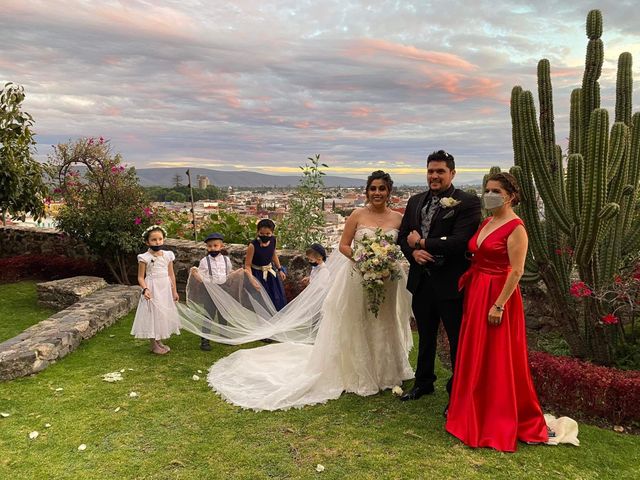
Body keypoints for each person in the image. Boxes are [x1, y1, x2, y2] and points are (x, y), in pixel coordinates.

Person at [205, 170, 414, 410]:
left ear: (389, 191)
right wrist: (363, 258)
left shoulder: (398, 219)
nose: (377, 193)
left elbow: (402, 248)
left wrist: (385, 261)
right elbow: (343, 245)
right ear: (367, 191)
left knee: (385, 320)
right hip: (359, 276)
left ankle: (387, 372)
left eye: (382, 188)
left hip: (387, 280)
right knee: (359, 320)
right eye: (373, 188)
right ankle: (359, 372)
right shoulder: (357, 214)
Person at [445, 172, 557, 452]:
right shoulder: (487, 221)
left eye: (495, 190)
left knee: (497, 356)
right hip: (477, 291)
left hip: (498, 295)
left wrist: (498, 304)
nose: (489, 193)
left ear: (510, 195)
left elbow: (517, 270)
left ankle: (497, 418)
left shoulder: (516, 227)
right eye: (487, 189)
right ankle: (472, 410)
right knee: (475, 352)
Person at [398, 150, 481, 403]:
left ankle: (457, 390)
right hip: (421, 280)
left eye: (440, 171)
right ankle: (424, 382)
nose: (434, 176)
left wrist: (422, 242)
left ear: (452, 173)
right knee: (425, 335)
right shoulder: (415, 201)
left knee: (457, 339)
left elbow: (460, 242)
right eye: (431, 171)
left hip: (450, 281)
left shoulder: (467, 202)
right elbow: (403, 237)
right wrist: (414, 253)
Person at [131, 225, 180, 354]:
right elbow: (141, 277)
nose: (157, 242)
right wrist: (145, 289)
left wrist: (174, 291)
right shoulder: (144, 257)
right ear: (147, 242)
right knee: (152, 314)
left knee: (161, 314)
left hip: (165, 288)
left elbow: (171, 274)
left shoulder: (168, 255)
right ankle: (153, 344)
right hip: (152, 287)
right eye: (154, 240)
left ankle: (158, 341)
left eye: (160, 239)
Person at [189, 232, 233, 351]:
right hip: (210, 291)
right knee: (208, 315)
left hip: (223, 289)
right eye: (210, 246)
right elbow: (202, 277)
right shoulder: (204, 261)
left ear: (221, 246)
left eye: (215, 246)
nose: (212, 248)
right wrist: (196, 274)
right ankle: (205, 340)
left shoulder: (226, 260)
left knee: (223, 314)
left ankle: (224, 335)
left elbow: (228, 273)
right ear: (207, 247)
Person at [245, 218, 287, 310]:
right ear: (258, 232)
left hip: (270, 274)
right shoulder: (253, 245)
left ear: (272, 233)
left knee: (275, 298)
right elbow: (247, 265)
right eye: (262, 234)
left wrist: (280, 269)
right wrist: (251, 279)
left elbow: (273, 254)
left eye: (268, 234)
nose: (265, 236)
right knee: (260, 301)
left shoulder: (273, 240)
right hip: (257, 274)